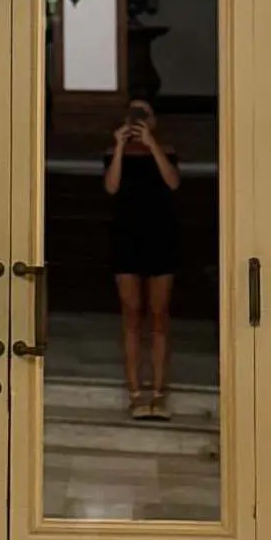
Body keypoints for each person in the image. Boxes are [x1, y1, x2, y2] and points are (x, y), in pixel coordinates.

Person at [103, 98, 181, 420]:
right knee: (131, 317)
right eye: (133, 114)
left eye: (143, 114)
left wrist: (152, 145)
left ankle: (159, 392)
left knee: (159, 317)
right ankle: (135, 392)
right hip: (127, 238)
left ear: (153, 120)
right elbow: (111, 187)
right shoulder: (114, 152)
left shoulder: (166, 150)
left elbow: (172, 182)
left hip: (161, 237)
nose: (137, 120)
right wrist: (120, 147)